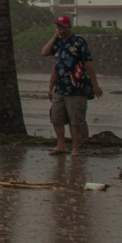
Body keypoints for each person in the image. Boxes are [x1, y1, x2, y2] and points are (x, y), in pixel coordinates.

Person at [41, 15, 102, 156]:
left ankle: (75, 148)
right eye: (58, 26)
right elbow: (45, 54)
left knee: (75, 120)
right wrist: (50, 88)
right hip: (60, 88)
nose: (60, 29)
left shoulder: (79, 42)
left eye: (62, 26)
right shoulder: (57, 43)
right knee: (57, 118)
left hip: (77, 88)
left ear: (69, 26)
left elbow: (88, 64)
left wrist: (95, 85)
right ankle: (61, 145)